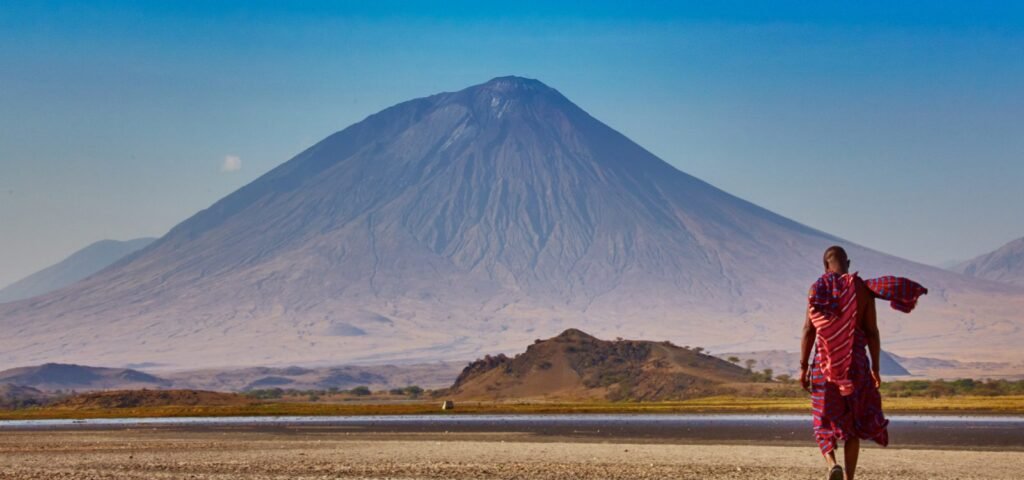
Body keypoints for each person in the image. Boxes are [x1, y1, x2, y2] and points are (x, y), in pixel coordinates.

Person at [799, 246, 927, 480]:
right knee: (854, 425)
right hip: (855, 367)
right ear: (848, 263)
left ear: (826, 266)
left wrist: (803, 367)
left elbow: (809, 330)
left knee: (822, 419)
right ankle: (849, 478)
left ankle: (831, 464)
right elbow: (872, 332)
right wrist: (876, 368)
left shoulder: (817, 289)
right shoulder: (861, 290)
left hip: (824, 366)